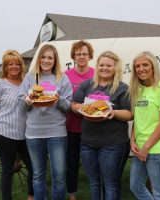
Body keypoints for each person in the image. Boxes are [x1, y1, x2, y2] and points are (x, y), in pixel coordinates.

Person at [71, 51, 133, 200]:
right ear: (97, 66)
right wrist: (82, 109)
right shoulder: (88, 84)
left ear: (115, 67)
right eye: (101, 65)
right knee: (94, 183)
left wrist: (113, 112)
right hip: (88, 143)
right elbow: (74, 104)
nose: (104, 68)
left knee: (110, 184)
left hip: (112, 144)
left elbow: (130, 114)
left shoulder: (122, 88)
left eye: (108, 65)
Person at [21, 44, 73, 200]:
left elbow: (68, 106)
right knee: (37, 175)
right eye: (43, 57)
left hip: (56, 133)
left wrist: (58, 99)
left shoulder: (62, 78)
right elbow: (21, 105)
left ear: (55, 60)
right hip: (33, 133)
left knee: (59, 175)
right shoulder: (30, 77)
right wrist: (28, 102)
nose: (46, 60)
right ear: (39, 59)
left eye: (50, 57)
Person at [0, 50, 34, 200]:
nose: (14, 66)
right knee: (7, 170)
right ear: (5, 67)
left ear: (21, 66)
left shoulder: (26, 83)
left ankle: (31, 196)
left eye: (17, 63)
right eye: (10, 64)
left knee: (33, 167)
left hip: (25, 134)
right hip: (6, 134)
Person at [128, 51, 160, 200]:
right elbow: (138, 119)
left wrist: (146, 148)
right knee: (136, 186)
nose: (141, 69)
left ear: (153, 67)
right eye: (137, 66)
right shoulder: (138, 90)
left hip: (157, 150)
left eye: (145, 65)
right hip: (139, 149)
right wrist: (132, 140)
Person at [65, 40, 95, 200]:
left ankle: (95, 191)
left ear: (90, 56)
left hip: (92, 128)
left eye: (84, 54)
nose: (81, 57)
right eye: (78, 54)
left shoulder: (96, 75)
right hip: (71, 127)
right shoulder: (66, 75)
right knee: (72, 163)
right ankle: (71, 193)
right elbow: (63, 100)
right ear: (73, 57)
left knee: (92, 163)